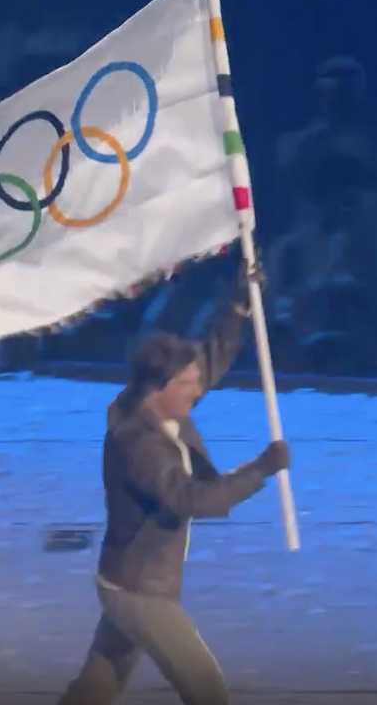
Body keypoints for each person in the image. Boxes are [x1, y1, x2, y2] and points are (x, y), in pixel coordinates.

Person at [57, 260, 291, 705]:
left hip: (124, 581)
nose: (197, 389)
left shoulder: (157, 409)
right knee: (207, 691)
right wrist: (260, 468)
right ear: (157, 387)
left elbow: (210, 359)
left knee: (97, 688)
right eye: (187, 384)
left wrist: (238, 307)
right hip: (140, 592)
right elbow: (192, 498)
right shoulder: (138, 445)